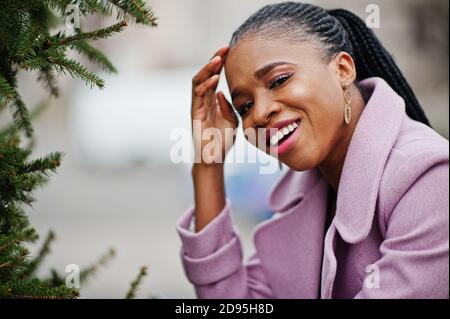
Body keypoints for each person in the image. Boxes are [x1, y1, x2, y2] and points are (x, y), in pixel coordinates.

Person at [176, 2, 449, 298]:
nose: (260, 113)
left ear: (343, 69)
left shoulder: (429, 178)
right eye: (245, 106)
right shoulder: (299, 200)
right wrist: (208, 165)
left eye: (279, 80)